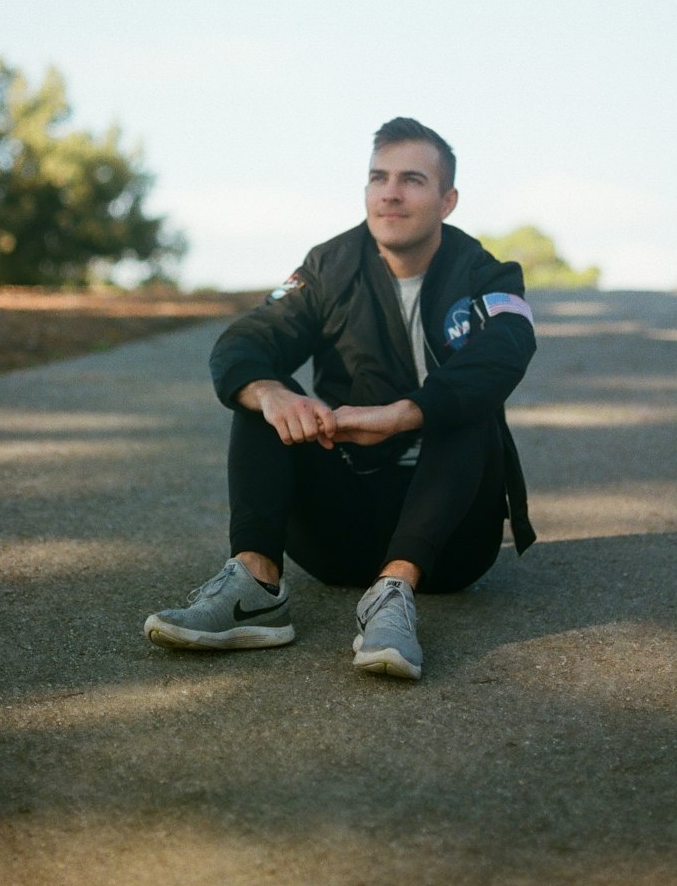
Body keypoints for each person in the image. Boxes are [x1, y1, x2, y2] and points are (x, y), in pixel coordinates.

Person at [144, 117, 536, 681]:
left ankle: (394, 593)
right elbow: (247, 338)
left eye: (412, 180)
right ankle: (255, 587)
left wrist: (403, 415)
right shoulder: (330, 266)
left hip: (449, 540)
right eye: (378, 177)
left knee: (466, 401)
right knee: (268, 397)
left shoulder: (486, 273)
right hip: (341, 532)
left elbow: (508, 347)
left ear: (448, 200)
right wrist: (269, 391)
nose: (390, 193)